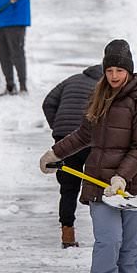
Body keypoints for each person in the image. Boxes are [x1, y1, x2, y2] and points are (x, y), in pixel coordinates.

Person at [39, 40, 137, 273]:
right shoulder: (99, 97)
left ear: (129, 70)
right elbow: (83, 135)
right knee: (108, 244)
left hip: (134, 190)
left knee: (128, 252)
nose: (115, 76)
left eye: (120, 70)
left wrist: (123, 177)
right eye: (110, 70)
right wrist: (55, 153)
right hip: (100, 186)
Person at [42, 64, 103, 248]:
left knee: (68, 187)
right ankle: (104, 233)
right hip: (89, 138)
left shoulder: (71, 80)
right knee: (98, 184)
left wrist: (59, 129)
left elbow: (48, 103)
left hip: (64, 140)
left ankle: (67, 233)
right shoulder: (103, 87)